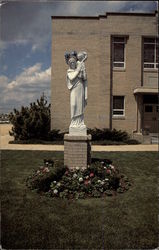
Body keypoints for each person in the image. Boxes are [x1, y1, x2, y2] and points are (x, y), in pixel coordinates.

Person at [66, 53, 87, 133]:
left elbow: (84, 78)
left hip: (80, 88)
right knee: (73, 105)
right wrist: (78, 69)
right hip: (74, 90)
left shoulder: (80, 70)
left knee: (80, 106)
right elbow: (72, 77)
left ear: (75, 62)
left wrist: (83, 68)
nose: (72, 64)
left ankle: (80, 123)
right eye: (70, 63)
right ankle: (73, 122)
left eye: (73, 62)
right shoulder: (69, 71)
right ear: (69, 64)